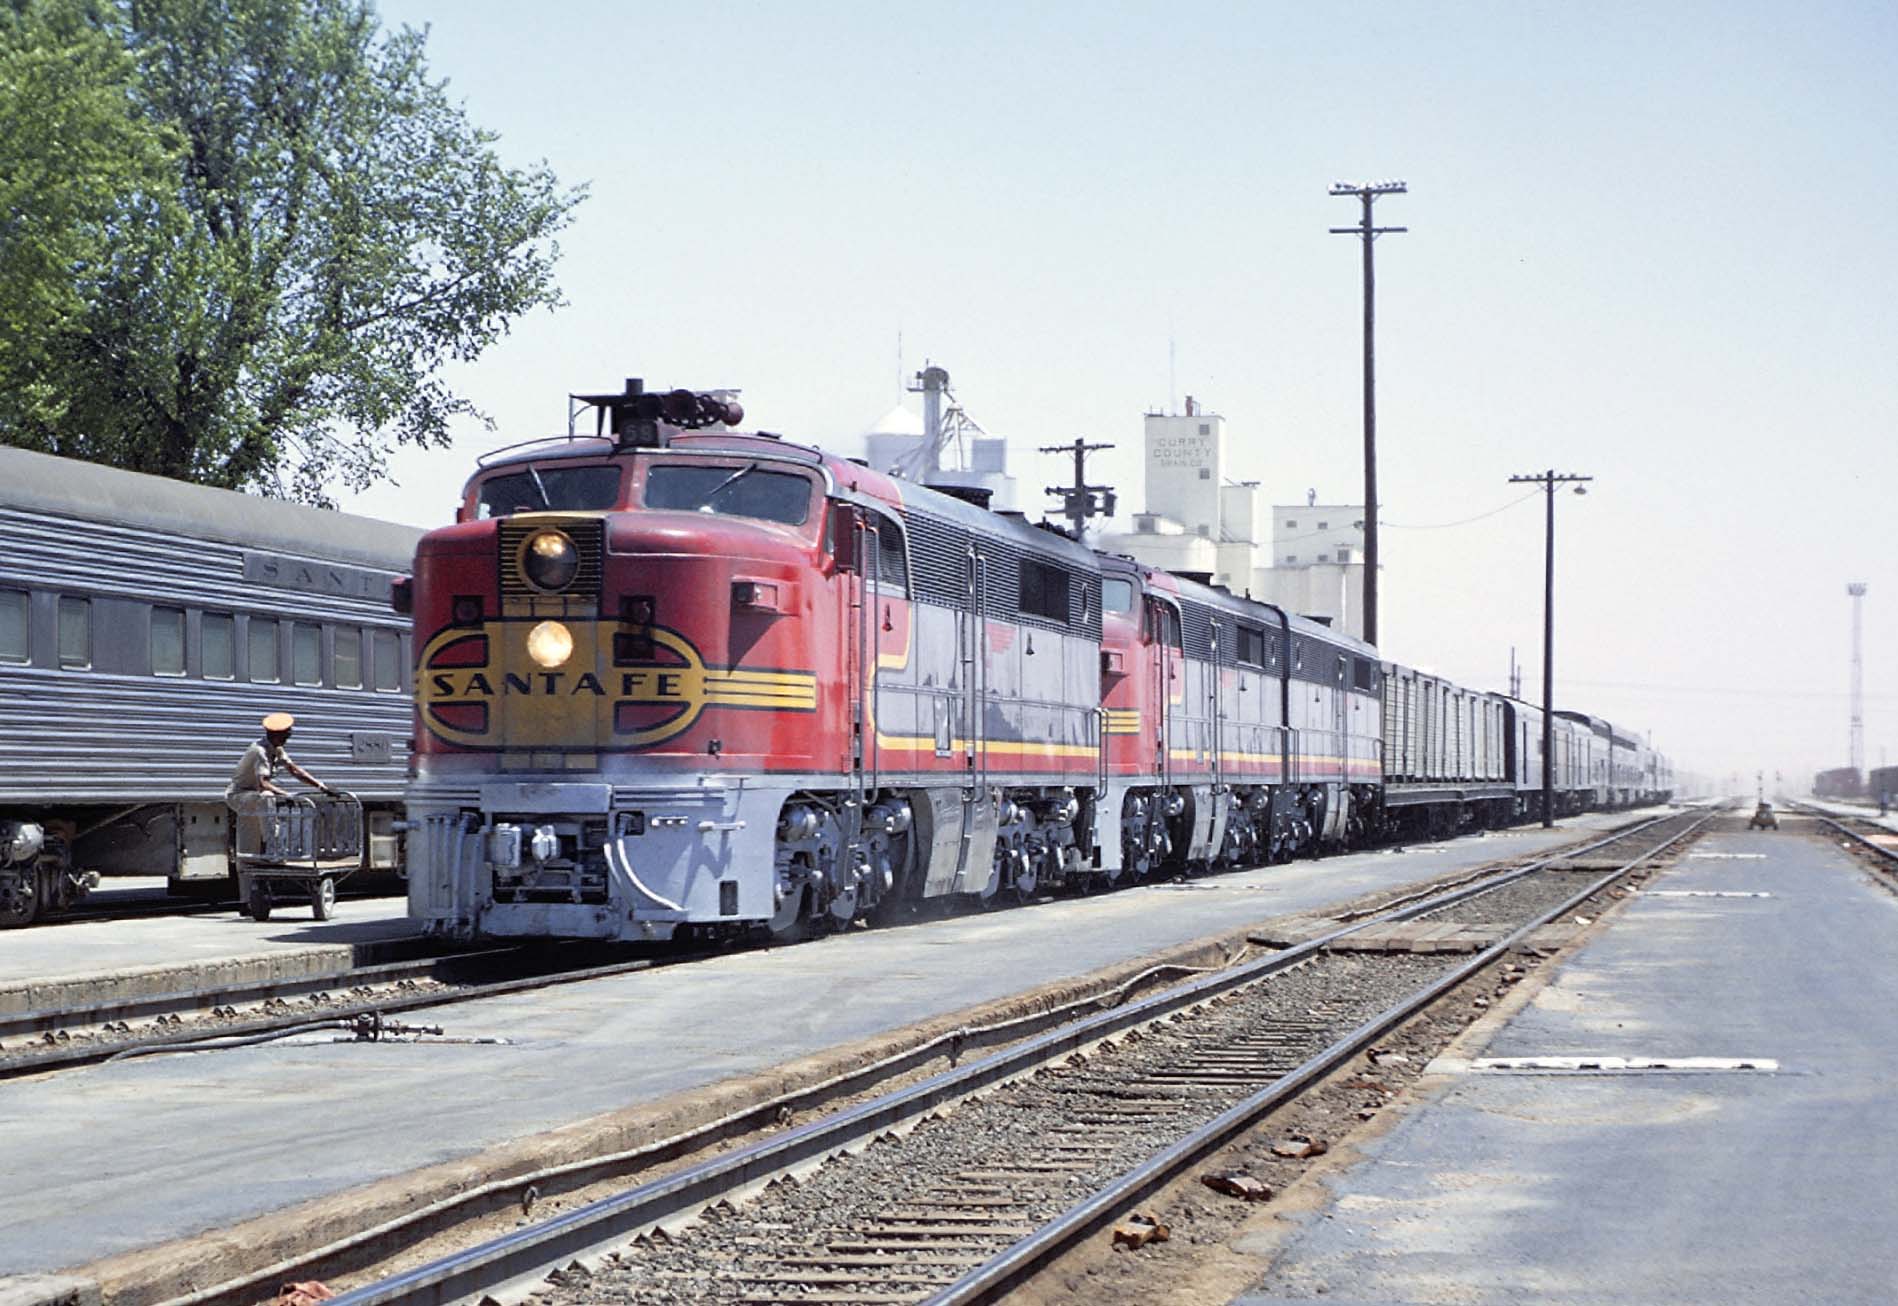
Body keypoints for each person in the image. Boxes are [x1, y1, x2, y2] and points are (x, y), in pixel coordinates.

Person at [227, 712, 332, 854]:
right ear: (276, 735)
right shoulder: (260, 751)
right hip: (239, 795)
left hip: (252, 795)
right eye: (286, 736)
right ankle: (272, 846)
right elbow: (263, 783)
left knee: (250, 838)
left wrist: (321, 786)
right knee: (267, 796)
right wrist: (287, 795)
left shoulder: (276, 749)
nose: (287, 740)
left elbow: (294, 770)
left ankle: (258, 857)